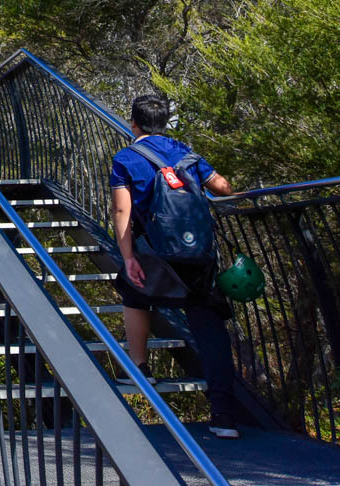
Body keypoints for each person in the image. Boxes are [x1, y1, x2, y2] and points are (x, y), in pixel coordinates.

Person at [111, 94, 239, 439]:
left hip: (156, 254)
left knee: (134, 291)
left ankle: (138, 368)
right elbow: (224, 188)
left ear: (133, 123)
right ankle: (224, 416)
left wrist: (128, 258)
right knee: (208, 323)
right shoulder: (187, 153)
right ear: (165, 121)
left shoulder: (127, 158)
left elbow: (122, 212)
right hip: (197, 254)